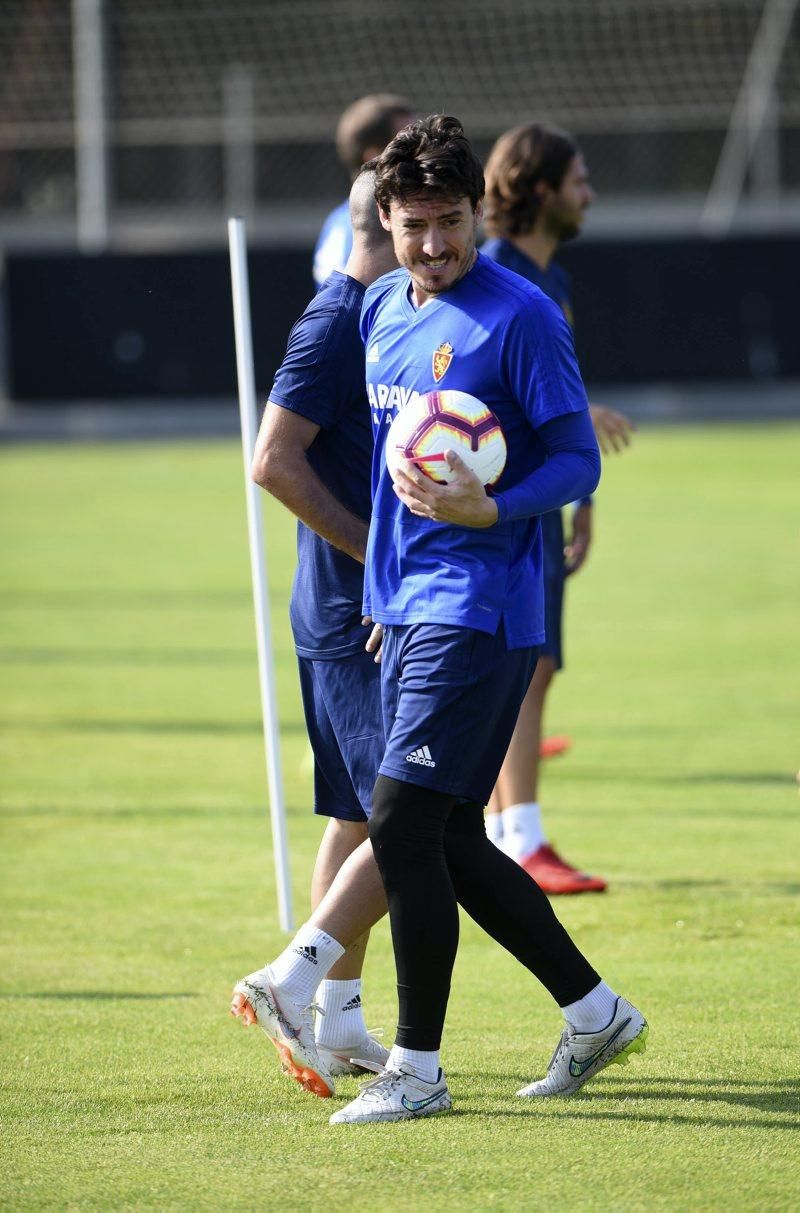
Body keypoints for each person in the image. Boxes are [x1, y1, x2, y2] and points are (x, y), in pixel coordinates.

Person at [233, 115, 647, 1125]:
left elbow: (574, 459)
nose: (433, 244)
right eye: (413, 224)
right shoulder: (377, 309)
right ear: (382, 218)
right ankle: (593, 1012)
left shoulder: (521, 315)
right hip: (406, 605)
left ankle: (411, 1065)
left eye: (451, 222)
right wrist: (381, 591)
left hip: (488, 602)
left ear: (474, 213)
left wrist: (490, 506)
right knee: (451, 833)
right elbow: (385, 473)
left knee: (400, 817)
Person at [231, 167, 398, 1093]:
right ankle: (291, 983)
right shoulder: (337, 317)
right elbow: (272, 461)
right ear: (386, 218)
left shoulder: (372, 311)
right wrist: (382, 559)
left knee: (352, 814)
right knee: (418, 816)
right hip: (352, 613)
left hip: (334, 607)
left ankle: (336, 1017)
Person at [481, 123, 635, 894]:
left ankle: (507, 835)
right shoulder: (497, 274)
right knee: (526, 665)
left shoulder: (554, 280)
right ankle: (521, 839)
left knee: (533, 667)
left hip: (542, 496)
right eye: (579, 180)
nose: (590, 194)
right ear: (540, 191)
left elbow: (553, 399)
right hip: (501, 502)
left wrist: (582, 499)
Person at [312, 94, 413, 288]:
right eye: (407, 143)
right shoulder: (378, 226)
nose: (421, 149)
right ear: (376, 156)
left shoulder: (337, 219)